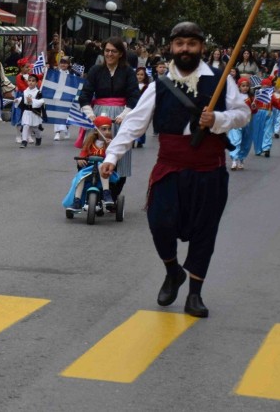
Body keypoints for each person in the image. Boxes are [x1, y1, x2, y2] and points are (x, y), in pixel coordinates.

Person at [99, 22, 251, 318]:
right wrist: (112, 156)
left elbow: (243, 114)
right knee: (159, 222)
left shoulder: (220, 80)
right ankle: (173, 271)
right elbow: (134, 123)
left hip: (209, 169)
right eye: (179, 44)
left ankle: (195, 293)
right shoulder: (159, 85)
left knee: (205, 231)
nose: (185, 49)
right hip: (170, 166)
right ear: (171, 47)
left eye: (191, 44)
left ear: (201, 48)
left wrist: (218, 120)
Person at [78, 37, 140, 203]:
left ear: (120, 53)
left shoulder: (128, 72)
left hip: (120, 117)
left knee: (120, 155)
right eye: (107, 50)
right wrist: (90, 114)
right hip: (99, 116)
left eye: (113, 51)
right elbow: (85, 95)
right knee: (91, 153)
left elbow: (134, 96)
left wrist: (124, 114)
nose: (109, 54)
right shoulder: (95, 71)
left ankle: (112, 194)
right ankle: (91, 192)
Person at [65, 115, 115, 211]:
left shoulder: (111, 143)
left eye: (109, 129)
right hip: (89, 169)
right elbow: (83, 153)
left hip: (105, 170)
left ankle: (106, 193)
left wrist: (110, 146)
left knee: (101, 166)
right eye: (104, 129)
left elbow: (113, 156)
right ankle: (77, 201)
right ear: (97, 130)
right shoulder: (90, 142)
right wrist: (80, 159)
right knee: (81, 177)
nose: (107, 132)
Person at [227, 76, 255, 170]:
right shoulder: (235, 97)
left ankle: (241, 159)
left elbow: (254, 111)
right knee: (235, 140)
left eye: (247, 86)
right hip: (237, 121)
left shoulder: (251, 98)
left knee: (246, 141)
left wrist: (254, 107)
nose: (245, 87)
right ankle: (234, 160)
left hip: (247, 122)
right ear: (239, 87)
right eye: (243, 86)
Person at [17, 73, 45, 147]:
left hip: (34, 112)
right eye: (29, 80)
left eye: (33, 81)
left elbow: (41, 101)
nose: (31, 82)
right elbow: (22, 99)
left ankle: (38, 138)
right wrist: (18, 100)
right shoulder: (25, 91)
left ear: (36, 83)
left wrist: (32, 101)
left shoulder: (38, 92)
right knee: (25, 126)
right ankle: (24, 141)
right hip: (26, 111)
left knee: (35, 127)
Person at [251, 77, 275, 158]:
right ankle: (258, 149)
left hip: (269, 113)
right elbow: (253, 103)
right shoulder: (257, 93)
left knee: (268, 131)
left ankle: (266, 148)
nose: (265, 87)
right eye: (264, 86)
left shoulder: (272, 95)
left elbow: (276, 103)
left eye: (267, 86)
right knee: (257, 131)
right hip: (258, 112)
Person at [134, 66, 151, 148]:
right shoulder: (132, 85)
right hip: (133, 107)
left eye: (142, 75)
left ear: (145, 76)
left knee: (142, 124)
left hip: (143, 108)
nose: (139, 76)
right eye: (138, 74)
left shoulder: (147, 87)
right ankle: (132, 140)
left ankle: (140, 141)